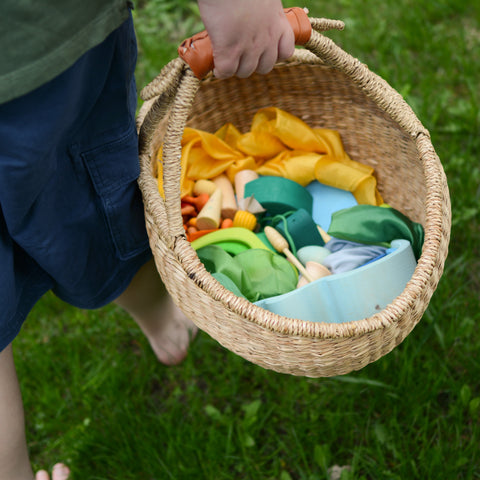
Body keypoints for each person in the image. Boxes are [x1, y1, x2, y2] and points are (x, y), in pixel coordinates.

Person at [0, 0, 295, 478]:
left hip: (37, 48)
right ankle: (161, 314)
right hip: (45, 59)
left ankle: (159, 314)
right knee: (97, 210)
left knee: (98, 219)